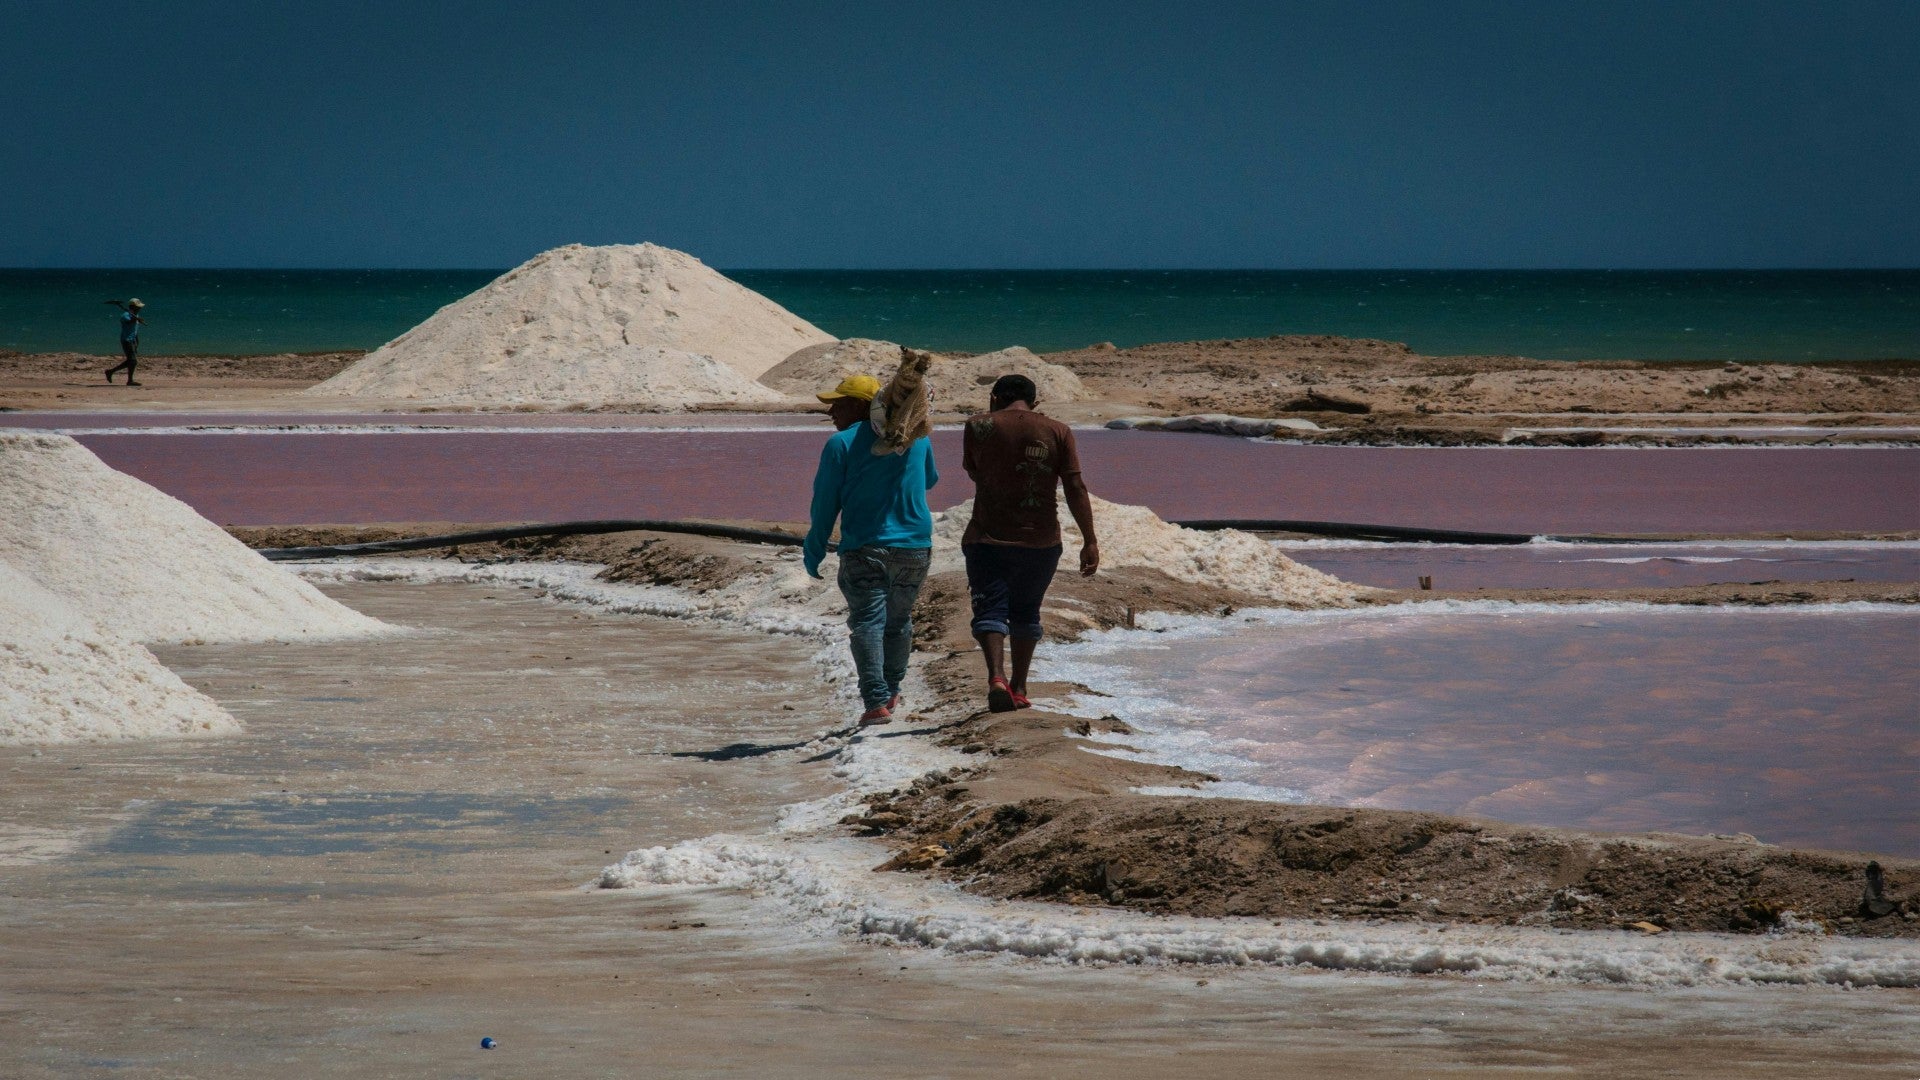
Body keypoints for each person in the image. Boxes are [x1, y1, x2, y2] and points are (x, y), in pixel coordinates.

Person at [803, 373, 940, 726]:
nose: (831, 411)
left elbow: (825, 503)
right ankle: (891, 690)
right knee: (898, 620)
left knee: (867, 622)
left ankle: (876, 701)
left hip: (866, 547)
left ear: (861, 406)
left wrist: (814, 548)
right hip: (915, 546)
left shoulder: (841, 443)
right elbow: (931, 480)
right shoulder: (917, 439)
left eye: (838, 404)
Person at [961, 373, 1098, 712]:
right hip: (1041, 539)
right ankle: (1019, 687)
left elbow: (974, 471)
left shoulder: (977, 425)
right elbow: (1075, 487)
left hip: (987, 537)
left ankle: (996, 677)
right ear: (1035, 403)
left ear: (994, 398)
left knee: (990, 608)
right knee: (1026, 610)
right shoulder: (1058, 430)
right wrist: (1089, 540)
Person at [105, 298, 145, 385]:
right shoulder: (126, 315)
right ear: (133, 307)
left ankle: (115, 374)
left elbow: (134, 330)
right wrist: (135, 319)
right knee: (133, 361)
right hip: (127, 340)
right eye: (138, 307)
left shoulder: (136, 315)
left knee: (132, 361)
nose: (140, 308)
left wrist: (137, 341)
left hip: (133, 340)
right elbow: (127, 322)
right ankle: (112, 372)